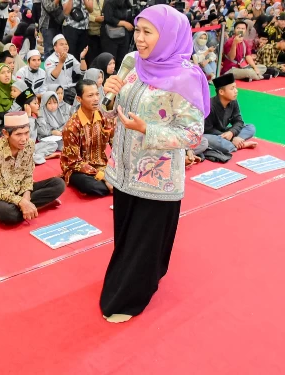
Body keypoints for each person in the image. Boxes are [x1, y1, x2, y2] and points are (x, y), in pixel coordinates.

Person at [99, 5, 209, 323]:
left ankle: (129, 298)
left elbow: (192, 135)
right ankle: (130, 281)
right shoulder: (132, 62)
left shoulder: (184, 78)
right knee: (125, 236)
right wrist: (109, 95)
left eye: (148, 32)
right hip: (123, 170)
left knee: (142, 242)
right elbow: (110, 111)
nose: (140, 39)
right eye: (138, 30)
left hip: (155, 178)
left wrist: (147, 130)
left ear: (169, 36)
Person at [0, 112, 66, 225]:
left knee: (59, 184)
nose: (24, 139)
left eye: (26, 133)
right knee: (7, 213)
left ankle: (30, 207)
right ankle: (38, 206)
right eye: (18, 134)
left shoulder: (29, 145)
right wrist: (21, 202)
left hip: (20, 189)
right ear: (6, 134)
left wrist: (25, 197)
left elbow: (28, 175)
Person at [61, 79, 113, 196]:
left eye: (97, 94)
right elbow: (74, 162)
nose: (96, 99)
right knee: (91, 186)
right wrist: (102, 176)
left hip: (101, 164)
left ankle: (112, 182)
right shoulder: (71, 127)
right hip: (78, 169)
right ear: (79, 99)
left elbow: (115, 143)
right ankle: (111, 184)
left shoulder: (103, 116)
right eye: (90, 95)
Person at [203, 73, 258, 154]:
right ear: (221, 92)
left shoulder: (233, 102)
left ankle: (235, 142)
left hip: (225, 133)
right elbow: (207, 129)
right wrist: (229, 137)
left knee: (251, 127)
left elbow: (239, 121)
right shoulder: (209, 106)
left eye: (235, 87)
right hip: (212, 135)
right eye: (232, 89)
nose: (236, 91)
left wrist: (231, 132)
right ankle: (238, 144)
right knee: (207, 140)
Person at [44, 34, 88, 105]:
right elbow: (52, 77)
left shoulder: (70, 57)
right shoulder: (50, 60)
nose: (65, 46)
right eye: (61, 44)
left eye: (66, 44)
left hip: (71, 88)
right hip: (57, 90)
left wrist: (82, 57)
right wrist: (61, 62)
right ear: (55, 48)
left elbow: (82, 71)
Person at [101, 0, 133, 68]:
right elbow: (108, 18)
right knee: (110, 59)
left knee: (122, 60)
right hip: (110, 35)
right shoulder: (109, 3)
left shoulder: (127, 3)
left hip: (124, 35)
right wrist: (124, 23)